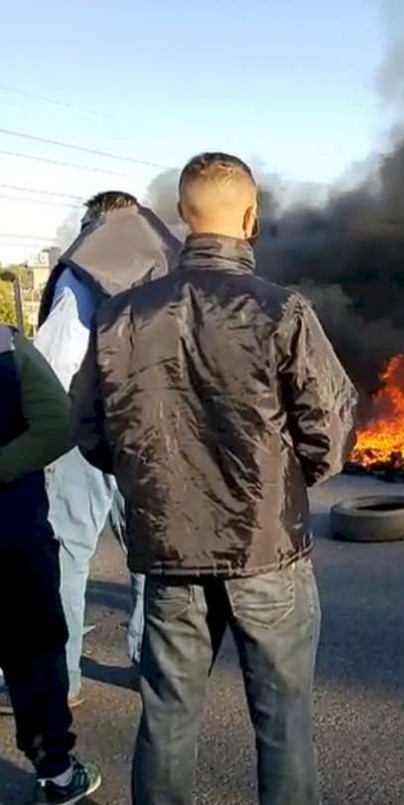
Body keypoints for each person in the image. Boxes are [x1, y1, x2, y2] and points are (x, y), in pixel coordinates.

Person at [71, 152, 357, 805]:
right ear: (251, 219)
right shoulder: (282, 311)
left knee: (168, 718)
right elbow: (332, 431)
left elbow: (89, 427)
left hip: (168, 553)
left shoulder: (121, 316)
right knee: (283, 724)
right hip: (268, 553)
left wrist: (153, 481)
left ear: (181, 217)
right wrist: (280, 486)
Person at [33, 191, 180, 705]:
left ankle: (62, 678)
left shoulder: (84, 273)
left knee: (68, 553)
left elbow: (56, 363)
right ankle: (151, 665)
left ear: (94, 223)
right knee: (150, 554)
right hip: (153, 433)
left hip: (87, 431)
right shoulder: (172, 267)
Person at [0, 325, 102, 804]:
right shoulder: (6, 346)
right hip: (12, 536)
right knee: (34, 657)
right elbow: (59, 426)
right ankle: (57, 775)